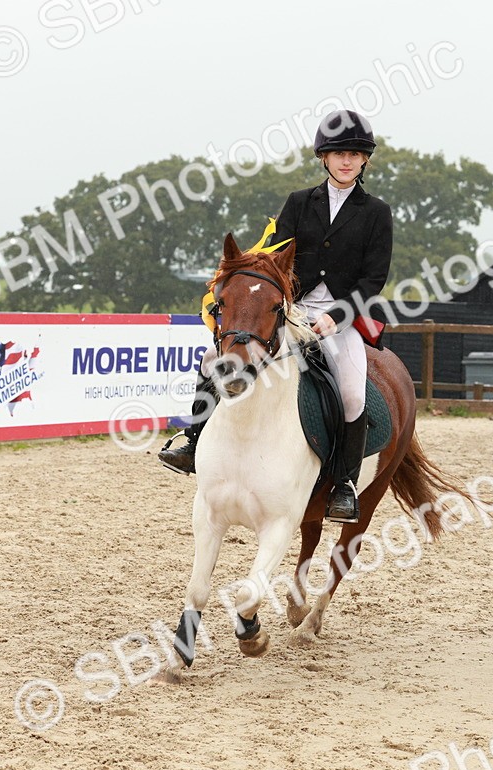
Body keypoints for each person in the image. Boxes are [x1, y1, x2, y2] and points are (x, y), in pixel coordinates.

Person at [160, 109, 393, 524]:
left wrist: (336, 317)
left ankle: (343, 483)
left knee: (353, 392)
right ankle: (193, 441)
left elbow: (372, 279)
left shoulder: (376, 212)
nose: (346, 161)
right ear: (323, 157)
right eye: (338, 153)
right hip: (290, 309)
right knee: (217, 359)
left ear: (364, 161)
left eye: (355, 154)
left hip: (339, 318)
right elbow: (276, 261)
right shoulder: (299, 202)